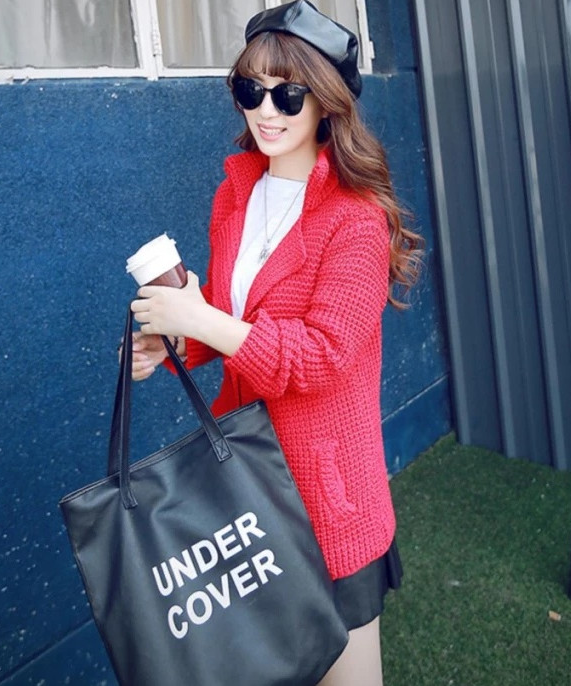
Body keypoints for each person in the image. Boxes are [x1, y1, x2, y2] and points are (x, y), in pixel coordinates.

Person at [129, 1, 421, 683]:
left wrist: (201, 322)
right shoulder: (235, 196)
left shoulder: (356, 219)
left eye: (288, 94)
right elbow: (239, 316)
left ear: (326, 102)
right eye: (249, 88)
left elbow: (322, 356)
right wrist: (177, 342)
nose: (266, 110)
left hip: (328, 495)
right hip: (249, 484)